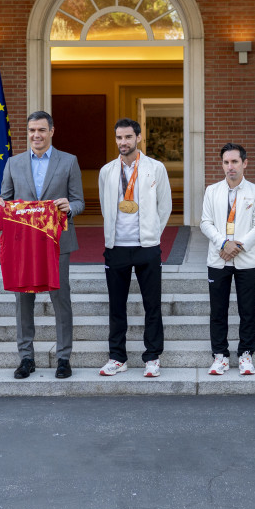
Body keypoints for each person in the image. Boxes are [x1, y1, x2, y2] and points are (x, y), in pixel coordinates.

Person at [0, 110, 84, 379]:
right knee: (24, 299)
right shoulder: (13, 163)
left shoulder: (69, 162)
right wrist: (0, 205)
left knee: (61, 299)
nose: (36, 135)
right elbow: (5, 200)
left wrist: (70, 207)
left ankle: (64, 358)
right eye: (32, 130)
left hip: (58, 243)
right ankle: (26, 358)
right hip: (24, 245)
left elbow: (79, 201)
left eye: (42, 130)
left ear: (51, 131)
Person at [96, 118, 171, 378]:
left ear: (138, 137)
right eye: (119, 137)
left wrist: (152, 236)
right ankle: (117, 357)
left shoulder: (155, 168)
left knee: (153, 305)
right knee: (117, 306)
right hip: (116, 247)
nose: (123, 142)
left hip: (146, 248)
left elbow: (165, 206)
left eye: (128, 137)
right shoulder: (107, 171)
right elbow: (107, 207)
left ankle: (152, 357)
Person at [199, 143, 255, 375]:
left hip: (246, 261)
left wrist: (237, 246)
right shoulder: (212, 191)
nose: (230, 167)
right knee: (218, 310)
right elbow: (205, 222)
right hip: (218, 259)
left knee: (247, 310)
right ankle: (220, 355)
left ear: (244, 163)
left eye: (235, 162)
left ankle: (246, 354)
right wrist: (223, 243)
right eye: (226, 162)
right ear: (222, 165)